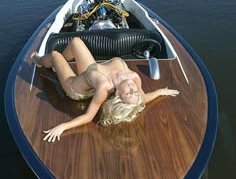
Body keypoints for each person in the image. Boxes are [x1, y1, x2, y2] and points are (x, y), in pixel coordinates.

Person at [31, 37, 179, 142]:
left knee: (56, 55)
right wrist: (161, 91)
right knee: (75, 41)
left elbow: (89, 117)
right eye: (135, 92)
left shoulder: (104, 86)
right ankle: (58, 65)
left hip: (76, 88)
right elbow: (143, 98)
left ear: (118, 94)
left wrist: (63, 126)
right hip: (91, 72)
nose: (133, 88)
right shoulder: (134, 78)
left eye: (128, 93)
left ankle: (39, 61)